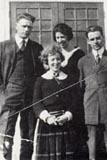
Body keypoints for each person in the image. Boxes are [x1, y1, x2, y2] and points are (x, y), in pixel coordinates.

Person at [0, 12, 44, 160]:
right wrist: (3, 92)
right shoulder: (3, 47)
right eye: (24, 26)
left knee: (29, 131)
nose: (26, 30)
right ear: (16, 26)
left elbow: (40, 73)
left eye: (29, 27)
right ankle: (7, 158)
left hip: (30, 95)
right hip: (11, 93)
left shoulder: (36, 48)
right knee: (7, 130)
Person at [78, 25, 107, 160]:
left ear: (103, 38)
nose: (95, 42)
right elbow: (80, 86)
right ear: (88, 41)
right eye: (92, 39)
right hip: (90, 108)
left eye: (98, 38)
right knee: (92, 149)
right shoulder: (83, 61)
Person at [32, 44, 78, 160]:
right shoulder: (40, 80)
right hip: (47, 124)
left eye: (58, 59)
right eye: (52, 59)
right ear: (47, 61)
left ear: (61, 60)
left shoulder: (69, 79)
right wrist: (47, 118)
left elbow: (75, 101)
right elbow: (36, 102)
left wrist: (67, 116)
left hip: (65, 123)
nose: (55, 62)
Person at [52, 23, 87, 158]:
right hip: (60, 97)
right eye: (58, 37)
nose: (60, 40)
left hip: (75, 95)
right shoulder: (56, 54)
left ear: (69, 36)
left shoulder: (79, 54)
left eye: (63, 37)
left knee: (76, 131)